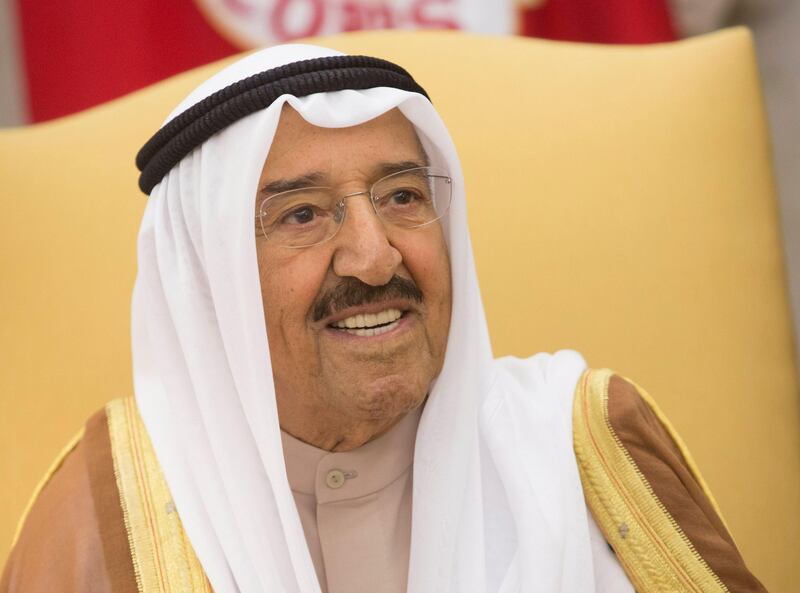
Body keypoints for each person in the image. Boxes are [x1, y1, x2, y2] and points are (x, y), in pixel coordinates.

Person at [1, 43, 767, 593]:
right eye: (302, 214)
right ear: (210, 281)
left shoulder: (585, 446)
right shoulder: (110, 513)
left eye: (403, 196)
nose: (373, 257)